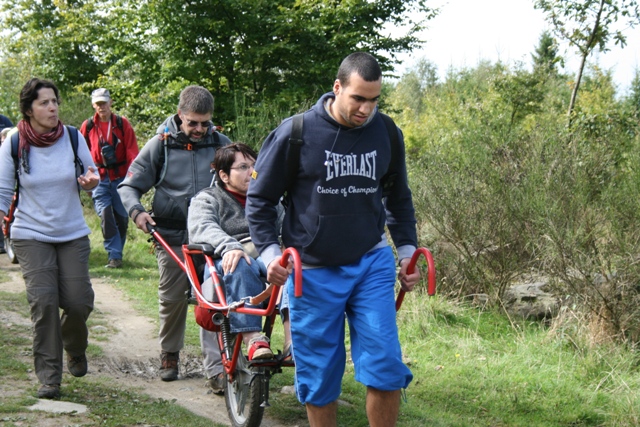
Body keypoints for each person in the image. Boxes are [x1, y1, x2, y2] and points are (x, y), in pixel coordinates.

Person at [246, 52, 421, 426]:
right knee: (320, 374)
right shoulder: (297, 132)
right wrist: (270, 254)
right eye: (358, 98)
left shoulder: (386, 132)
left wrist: (406, 251)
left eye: (374, 100)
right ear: (337, 87)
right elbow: (259, 199)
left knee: (386, 364)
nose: (366, 109)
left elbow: (398, 196)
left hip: (370, 263)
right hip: (311, 270)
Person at [117, 86, 231, 391]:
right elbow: (128, 187)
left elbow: (245, 178)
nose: (199, 129)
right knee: (173, 297)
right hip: (170, 234)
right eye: (192, 122)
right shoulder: (160, 146)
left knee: (215, 298)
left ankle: (218, 369)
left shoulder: (221, 144)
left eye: (205, 123)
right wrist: (138, 212)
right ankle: (170, 353)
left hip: (212, 233)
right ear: (180, 115)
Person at [0, 78, 100, 399]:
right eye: (44, 103)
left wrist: (90, 182)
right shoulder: (14, 143)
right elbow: (2, 193)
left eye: (54, 101)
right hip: (30, 235)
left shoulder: (73, 136)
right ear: (28, 110)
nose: (53, 107)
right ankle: (49, 377)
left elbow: (92, 172)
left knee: (78, 301)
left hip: (72, 233)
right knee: (43, 303)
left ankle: (74, 346)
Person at [188, 143, 290, 370]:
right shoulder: (207, 198)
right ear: (224, 175)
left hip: (266, 254)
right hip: (227, 259)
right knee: (239, 262)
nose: (252, 171)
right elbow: (202, 227)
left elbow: (287, 228)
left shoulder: (270, 199)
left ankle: (292, 341)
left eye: (254, 165)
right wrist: (230, 246)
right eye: (243, 167)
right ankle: (254, 339)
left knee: (289, 267)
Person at [80, 88, 139, 269]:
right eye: (98, 104)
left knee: (121, 217)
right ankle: (114, 255)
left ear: (110, 102)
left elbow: (132, 151)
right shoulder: (88, 126)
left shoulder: (122, 124)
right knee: (106, 214)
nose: (101, 107)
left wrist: (132, 178)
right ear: (93, 105)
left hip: (121, 177)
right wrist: (86, 181)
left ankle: (117, 254)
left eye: (104, 103)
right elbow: (80, 154)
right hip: (99, 177)